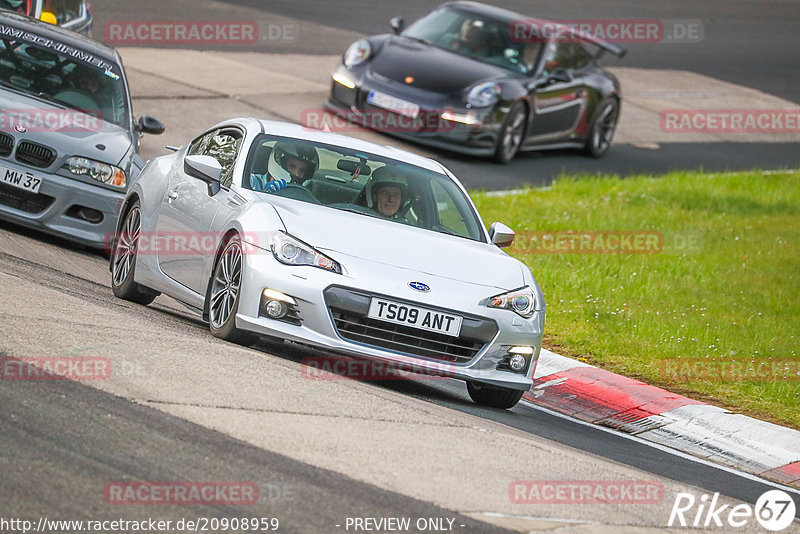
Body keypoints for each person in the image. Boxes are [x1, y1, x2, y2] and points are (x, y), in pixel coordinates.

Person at [250, 141, 319, 192]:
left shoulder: (303, 194)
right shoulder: (252, 182)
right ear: (279, 162)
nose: (297, 174)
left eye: (302, 170)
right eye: (292, 166)